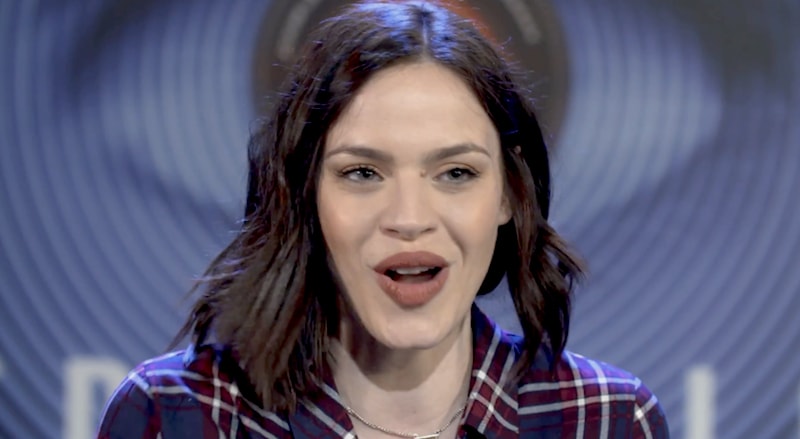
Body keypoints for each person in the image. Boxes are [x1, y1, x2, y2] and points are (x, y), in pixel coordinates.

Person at [97, 1, 669, 437]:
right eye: (363, 173)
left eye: (456, 173)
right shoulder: (181, 414)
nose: (409, 218)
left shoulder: (607, 419)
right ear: (305, 193)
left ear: (509, 195)